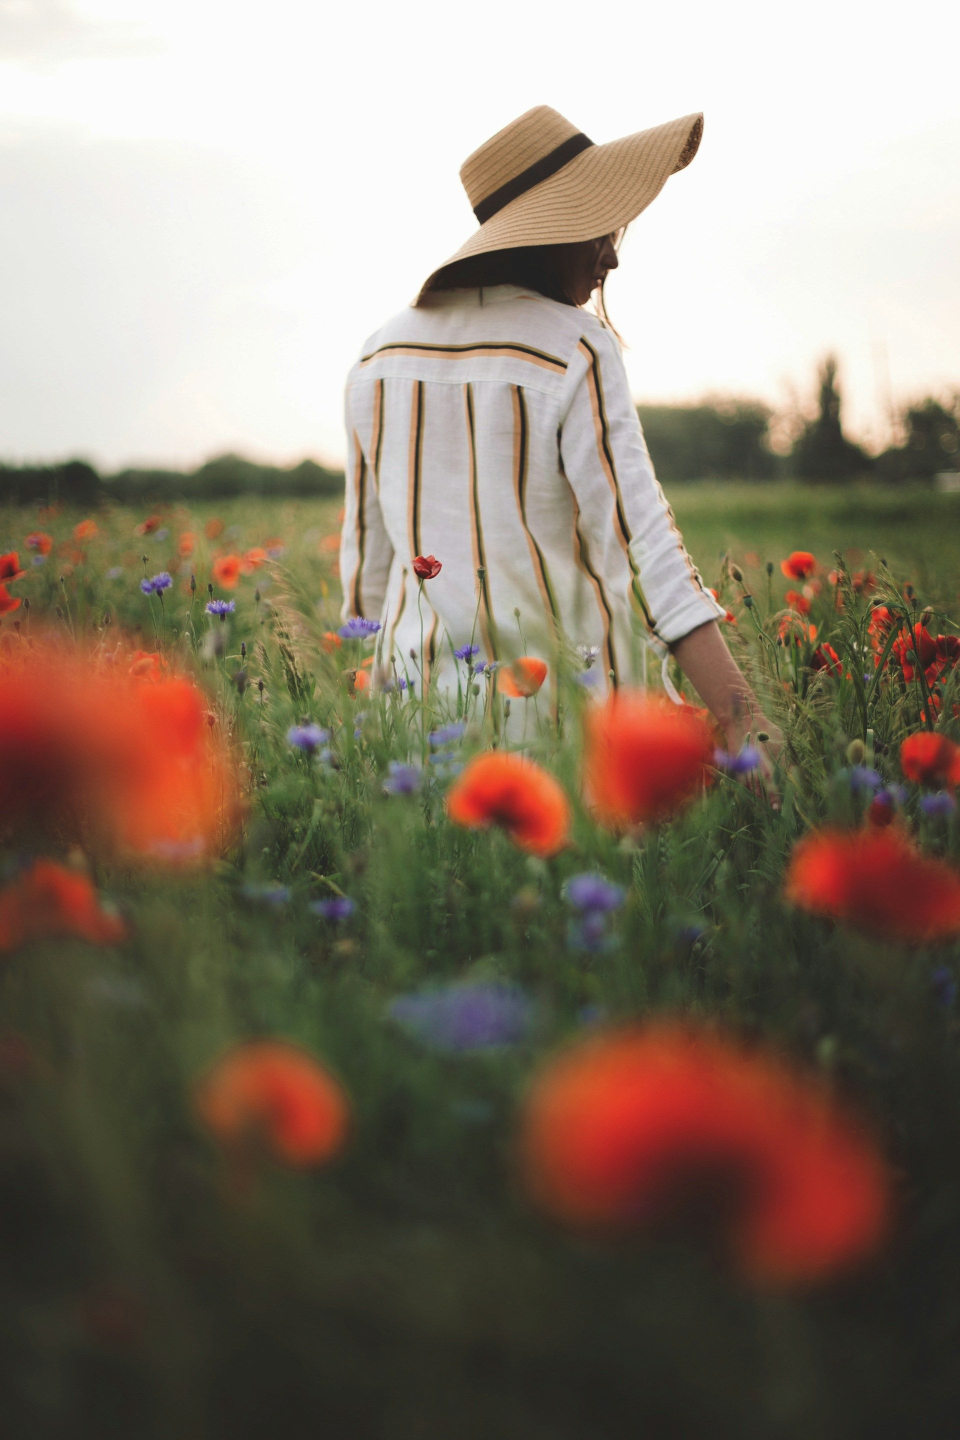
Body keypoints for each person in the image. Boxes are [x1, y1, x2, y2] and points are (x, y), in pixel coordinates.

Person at [340, 104, 779, 776]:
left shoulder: (377, 356)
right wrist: (740, 716)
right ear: (549, 233)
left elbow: (369, 581)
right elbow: (645, 548)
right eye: (598, 230)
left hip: (416, 741)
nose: (611, 255)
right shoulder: (576, 347)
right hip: (562, 744)